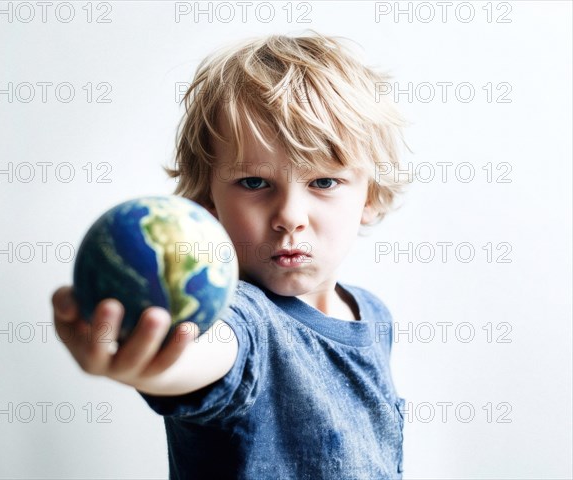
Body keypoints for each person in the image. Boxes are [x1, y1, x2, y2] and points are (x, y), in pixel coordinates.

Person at [52, 31, 408, 479]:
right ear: (209, 205)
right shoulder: (241, 317)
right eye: (255, 183)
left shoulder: (373, 315)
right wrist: (148, 361)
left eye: (324, 182)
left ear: (369, 197)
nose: (290, 217)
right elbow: (207, 352)